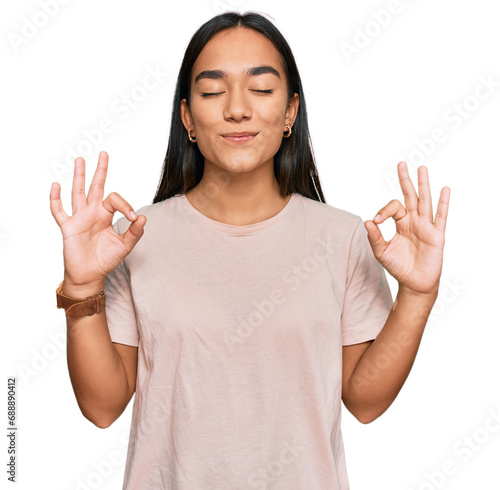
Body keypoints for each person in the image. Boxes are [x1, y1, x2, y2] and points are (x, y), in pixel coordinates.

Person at [49, 11, 450, 490]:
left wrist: (418, 296)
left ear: (290, 113)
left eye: (261, 89)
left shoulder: (343, 238)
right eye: (213, 91)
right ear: (187, 118)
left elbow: (365, 402)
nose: (237, 109)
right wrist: (82, 285)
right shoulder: (133, 239)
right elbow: (101, 407)